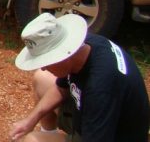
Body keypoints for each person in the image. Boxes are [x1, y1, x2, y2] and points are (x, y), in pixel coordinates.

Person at [9, 13, 149, 142]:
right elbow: (61, 88)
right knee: (42, 78)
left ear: (62, 56)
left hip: (109, 134)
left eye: (46, 61)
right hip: (90, 115)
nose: (44, 67)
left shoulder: (100, 87)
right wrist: (31, 120)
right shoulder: (85, 45)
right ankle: (50, 134)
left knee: (33, 140)